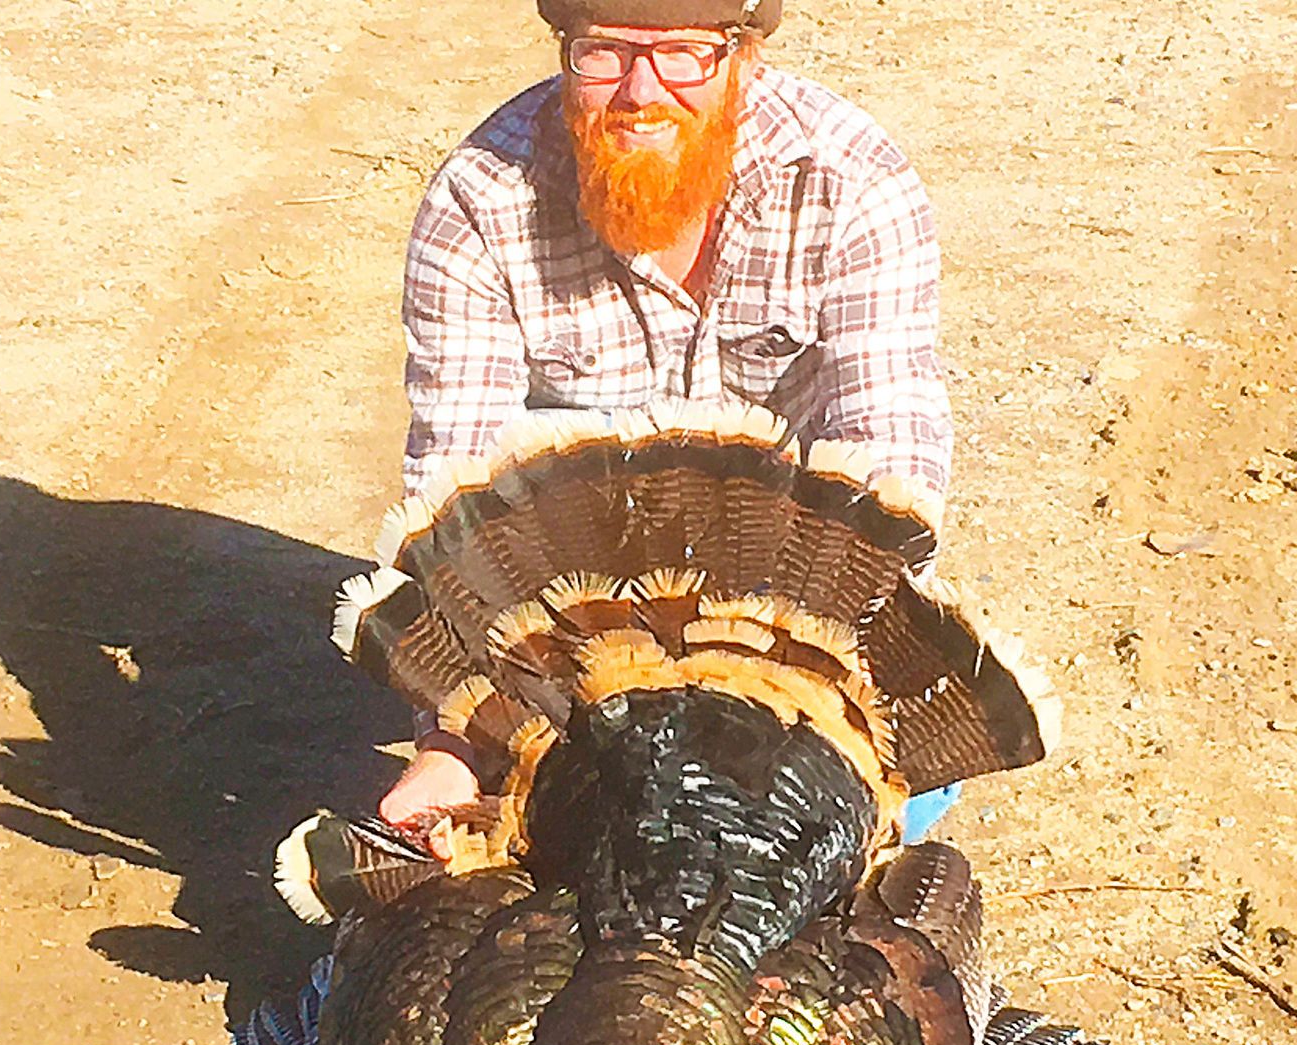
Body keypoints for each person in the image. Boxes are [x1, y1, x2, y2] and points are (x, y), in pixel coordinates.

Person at [378, 0, 957, 846]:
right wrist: (456, 736)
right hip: (573, 614)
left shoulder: (853, 181)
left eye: (683, 54)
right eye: (604, 52)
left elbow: (890, 450)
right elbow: (453, 489)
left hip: (785, 602)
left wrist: (809, 712)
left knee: (847, 823)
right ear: (563, 52)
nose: (640, 92)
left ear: (746, 60)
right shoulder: (480, 200)